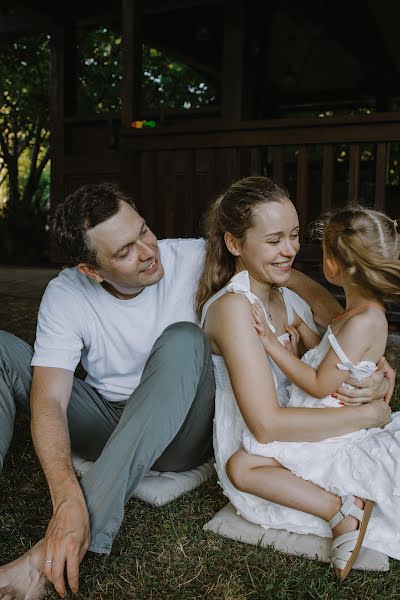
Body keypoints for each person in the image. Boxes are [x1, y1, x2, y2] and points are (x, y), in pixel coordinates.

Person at [0, 181, 391, 600]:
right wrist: (64, 499)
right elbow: (50, 399)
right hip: (109, 420)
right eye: (124, 251)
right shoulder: (66, 293)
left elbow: (288, 274)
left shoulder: (191, 256)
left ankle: (49, 560)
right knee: (3, 349)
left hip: (180, 431)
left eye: (143, 231)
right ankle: (76, 514)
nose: (148, 251)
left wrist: (357, 348)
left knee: (185, 338)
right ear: (91, 271)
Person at [196, 178, 394, 582]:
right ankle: (341, 510)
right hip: (266, 451)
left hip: (310, 426)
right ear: (235, 244)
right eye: (274, 241)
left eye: (295, 235)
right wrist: (372, 414)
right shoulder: (236, 308)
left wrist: (381, 369)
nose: (290, 250)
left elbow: (351, 333)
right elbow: (265, 426)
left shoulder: (285, 285)